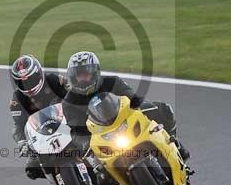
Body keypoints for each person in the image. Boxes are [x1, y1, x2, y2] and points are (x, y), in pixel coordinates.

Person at [61, 51, 190, 161]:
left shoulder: (112, 81)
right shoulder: (69, 102)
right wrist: (85, 144)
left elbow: (132, 96)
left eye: (86, 74)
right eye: (79, 75)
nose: (83, 78)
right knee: (96, 172)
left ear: (95, 72)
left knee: (163, 109)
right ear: (73, 77)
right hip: (102, 138)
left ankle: (176, 145)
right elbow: (76, 130)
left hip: (125, 121)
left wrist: (141, 105)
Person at [9, 54, 69, 179]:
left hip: (68, 125)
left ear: (39, 74)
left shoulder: (54, 81)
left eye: (30, 80)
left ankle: (98, 165)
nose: (28, 85)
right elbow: (18, 125)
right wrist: (23, 143)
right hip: (42, 136)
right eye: (23, 83)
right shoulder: (17, 99)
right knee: (32, 169)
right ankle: (56, 184)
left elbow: (73, 97)